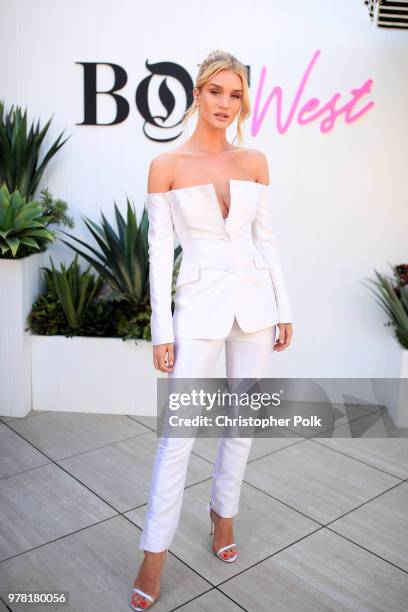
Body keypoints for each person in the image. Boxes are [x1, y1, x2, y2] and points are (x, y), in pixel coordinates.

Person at [130, 48, 293, 611]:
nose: (227, 102)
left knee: (242, 424)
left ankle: (223, 517)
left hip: (256, 308)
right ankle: (154, 553)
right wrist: (161, 331)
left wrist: (285, 307)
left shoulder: (255, 162)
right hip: (196, 310)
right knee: (178, 438)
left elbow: (265, 240)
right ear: (197, 94)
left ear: (244, 100)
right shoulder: (166, 165)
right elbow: (157, 256)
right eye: (216, 91)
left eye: (237, 93)